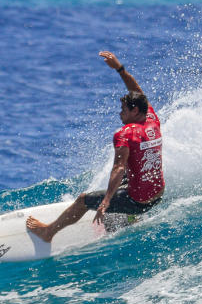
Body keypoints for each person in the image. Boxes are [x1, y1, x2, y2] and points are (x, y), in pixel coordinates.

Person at [26, 51, 164, 243]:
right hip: (158, 195)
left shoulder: (125, 133)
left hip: (139, 201)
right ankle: (130, 217)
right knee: (132, 168)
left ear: (134, 110)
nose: (120, 113)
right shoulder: (151, 119)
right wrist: (120, 69)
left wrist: (106, 201)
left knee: (83, 200)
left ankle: (48, 232)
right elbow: (139, 93)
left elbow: (118, 167)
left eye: (123, 110)